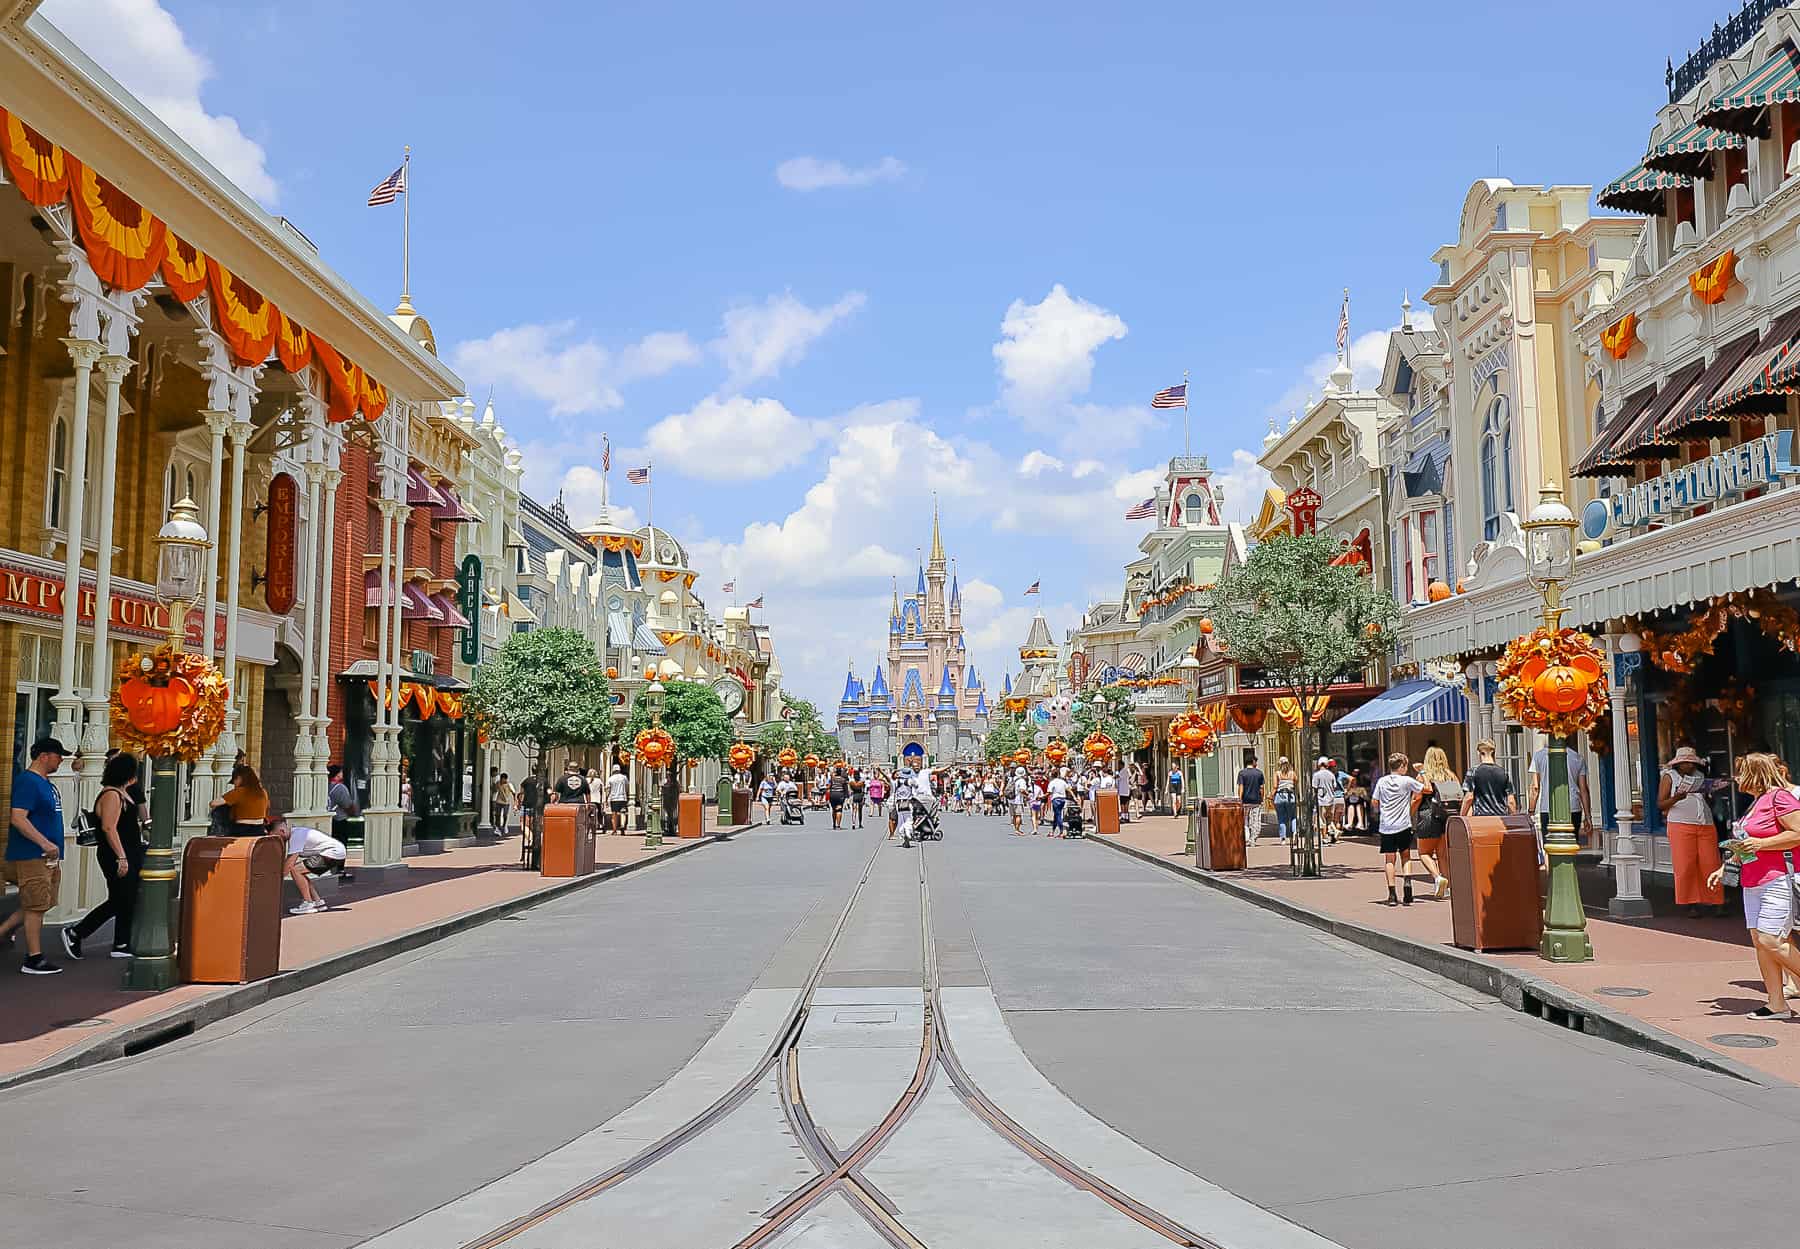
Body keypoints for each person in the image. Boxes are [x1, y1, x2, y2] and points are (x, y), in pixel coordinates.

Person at [1705, 753, 1800, 1019]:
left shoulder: (1780, 797)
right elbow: (1748, 842)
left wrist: (1761, 845)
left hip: (1776, 878)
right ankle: (1777, 1004)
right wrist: (1727, 865)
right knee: (1761, 942)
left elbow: (1797, 833)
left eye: (1740, 772)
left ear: (1755, 773)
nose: (1736, 778)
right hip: (1752, 881)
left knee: (1772, 940)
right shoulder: (1757, 802)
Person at [64, 750, 145, 960]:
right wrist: (122, 856)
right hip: (116, 854)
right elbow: (109, 827)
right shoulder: (111, 795)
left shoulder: (122, 792)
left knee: (126, 898)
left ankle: (121, 942)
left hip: (128, 851)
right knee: (120, 898)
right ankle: (77, 931)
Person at [2, 738, 67, 974]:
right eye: (58, 755)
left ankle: (2, 932)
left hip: (47, 856)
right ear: (43, 756)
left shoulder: (46, 783)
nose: (61, 760)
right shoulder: (28, 781)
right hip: (32, 854)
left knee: (42, 902)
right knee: (35, 905)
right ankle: (34, 958)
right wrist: (44, 842)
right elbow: (18, 817)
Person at [1660, 745, 1723, 916]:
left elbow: (1705, 801)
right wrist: (1676, 798)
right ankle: (1690, 903)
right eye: (1685, 763)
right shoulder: (1669, 777)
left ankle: (1715, 900)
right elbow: (1661, 804)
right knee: (1685, 864)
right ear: (1678, 764)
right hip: (1680, 823)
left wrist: (1710, 791)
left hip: (1705, 823)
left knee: (1711, 862)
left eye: (1692, 762)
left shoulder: (1699, 776)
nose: (1689, 766)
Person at [1372, 752, 1427, 906]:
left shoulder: (1382, 781)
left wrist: (1382, 809)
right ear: (1402, 766)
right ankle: (1408, 883)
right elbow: (1424, 788)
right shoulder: (1406, 781)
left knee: (1390, 859)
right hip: (1403, 824)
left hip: (1386, 825)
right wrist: (1421, 772)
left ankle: (1391, 894)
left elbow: (1375, 801)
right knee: (1405, 856)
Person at [1528, 742, 1590, 858]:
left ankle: (1551, 873)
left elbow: (1535, 788)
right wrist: (1588, 816)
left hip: (1548, 807)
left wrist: (1531, 811)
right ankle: (1571, 871)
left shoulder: (1539, 756)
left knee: (1550, 847)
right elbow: (1583, 789)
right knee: (1571, 846)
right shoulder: (1577, 757)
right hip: (1573, 807)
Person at [275, 813, 347, 915]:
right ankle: (318, 902)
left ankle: (308, 903)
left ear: (282, 831)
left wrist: (273, 878)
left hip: (333, 853)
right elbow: (288, 863)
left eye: (276, 836)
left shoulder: (296, 836)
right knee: (300, 871)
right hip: (336, 852)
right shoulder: (296, 833)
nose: (277, 840)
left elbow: (288, 866)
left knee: (295, 870)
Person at [1414, 746, 1458, 899]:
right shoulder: (1451, 775)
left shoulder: (1424, 777)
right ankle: (1448, 888)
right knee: (1443, 855)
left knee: (1424, 852)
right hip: (1447, 817)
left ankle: (1437, 877)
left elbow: (1418, 797)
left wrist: (1410, 812)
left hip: (1428, 816)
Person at [1461, 739, 1517, 818]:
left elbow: (1469, 798)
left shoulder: (1473, 772)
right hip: (1500, 819)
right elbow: (1510, 801)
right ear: (1494, 753)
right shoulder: (1504, 773)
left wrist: (1462, 816)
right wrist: (1514, 818)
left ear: (1479, 753)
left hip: (1481, 819)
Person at [211, 763, 269, 834]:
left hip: (241, 830)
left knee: (221, 808)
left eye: (234, 781)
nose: (234, 784)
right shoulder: (263, 792)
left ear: (239, 778)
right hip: (259, 829)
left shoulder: (239, 792)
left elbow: (213, 803)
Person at [327, 764, 360, 843]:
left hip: (327, 820)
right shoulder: (340, 788)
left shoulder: (324, 786)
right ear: (337, 774)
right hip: (339, 821)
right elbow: (347, 805)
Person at [1311, 757, 1340, 845]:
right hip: (1331, 799)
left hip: (1321, 800)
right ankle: (1333, 830)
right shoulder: (1331, 774)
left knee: (1321, 819)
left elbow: (1314, 787)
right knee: (1329, 819)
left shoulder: (1317, 775)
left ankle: (1324, 837)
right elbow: (1334, 786)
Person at [1271, 757, 1299, 843]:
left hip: (1280, 796)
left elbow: (1275, 786)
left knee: (1281, 818)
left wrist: (1271, 795)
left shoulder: (1277, 774)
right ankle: (1294, 832)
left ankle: (1283, 838)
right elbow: (1296, 784)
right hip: (1290, 796)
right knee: (1293, 816)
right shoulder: (1293, 774)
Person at [492, 772, 517, 837]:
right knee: (497, 815)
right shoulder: (498, 783)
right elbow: (495, 789)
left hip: (506, 802)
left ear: (505, 779)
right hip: (498, 801)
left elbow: (514, 793)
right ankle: (498, 828)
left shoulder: (509, 785)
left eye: (503, 779)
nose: (502, 780)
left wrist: (515, 802)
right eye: (501, 779)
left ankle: (504, 825)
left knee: (505, 815)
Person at [606, 765, 629, 833]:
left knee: (614, 814)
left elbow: (608, 789)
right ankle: (622, 825)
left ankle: (614, 829)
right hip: (622, 797)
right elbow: (627, 786)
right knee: (623, 812)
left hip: (614, 798)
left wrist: (606, 798)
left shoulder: (611, 778)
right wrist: (626, 793)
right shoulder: (624, 777)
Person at [1047, 770, 1069, 836]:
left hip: (1056, 799)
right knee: (1056, 815)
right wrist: (1074, 796)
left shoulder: (1052, 782)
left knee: (1058, 815)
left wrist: (1042, 796)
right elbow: (1069, 789)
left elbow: (1049, 792)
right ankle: (1053, 831)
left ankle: (1061, 831)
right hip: (1062, 799)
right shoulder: (1062, 782)